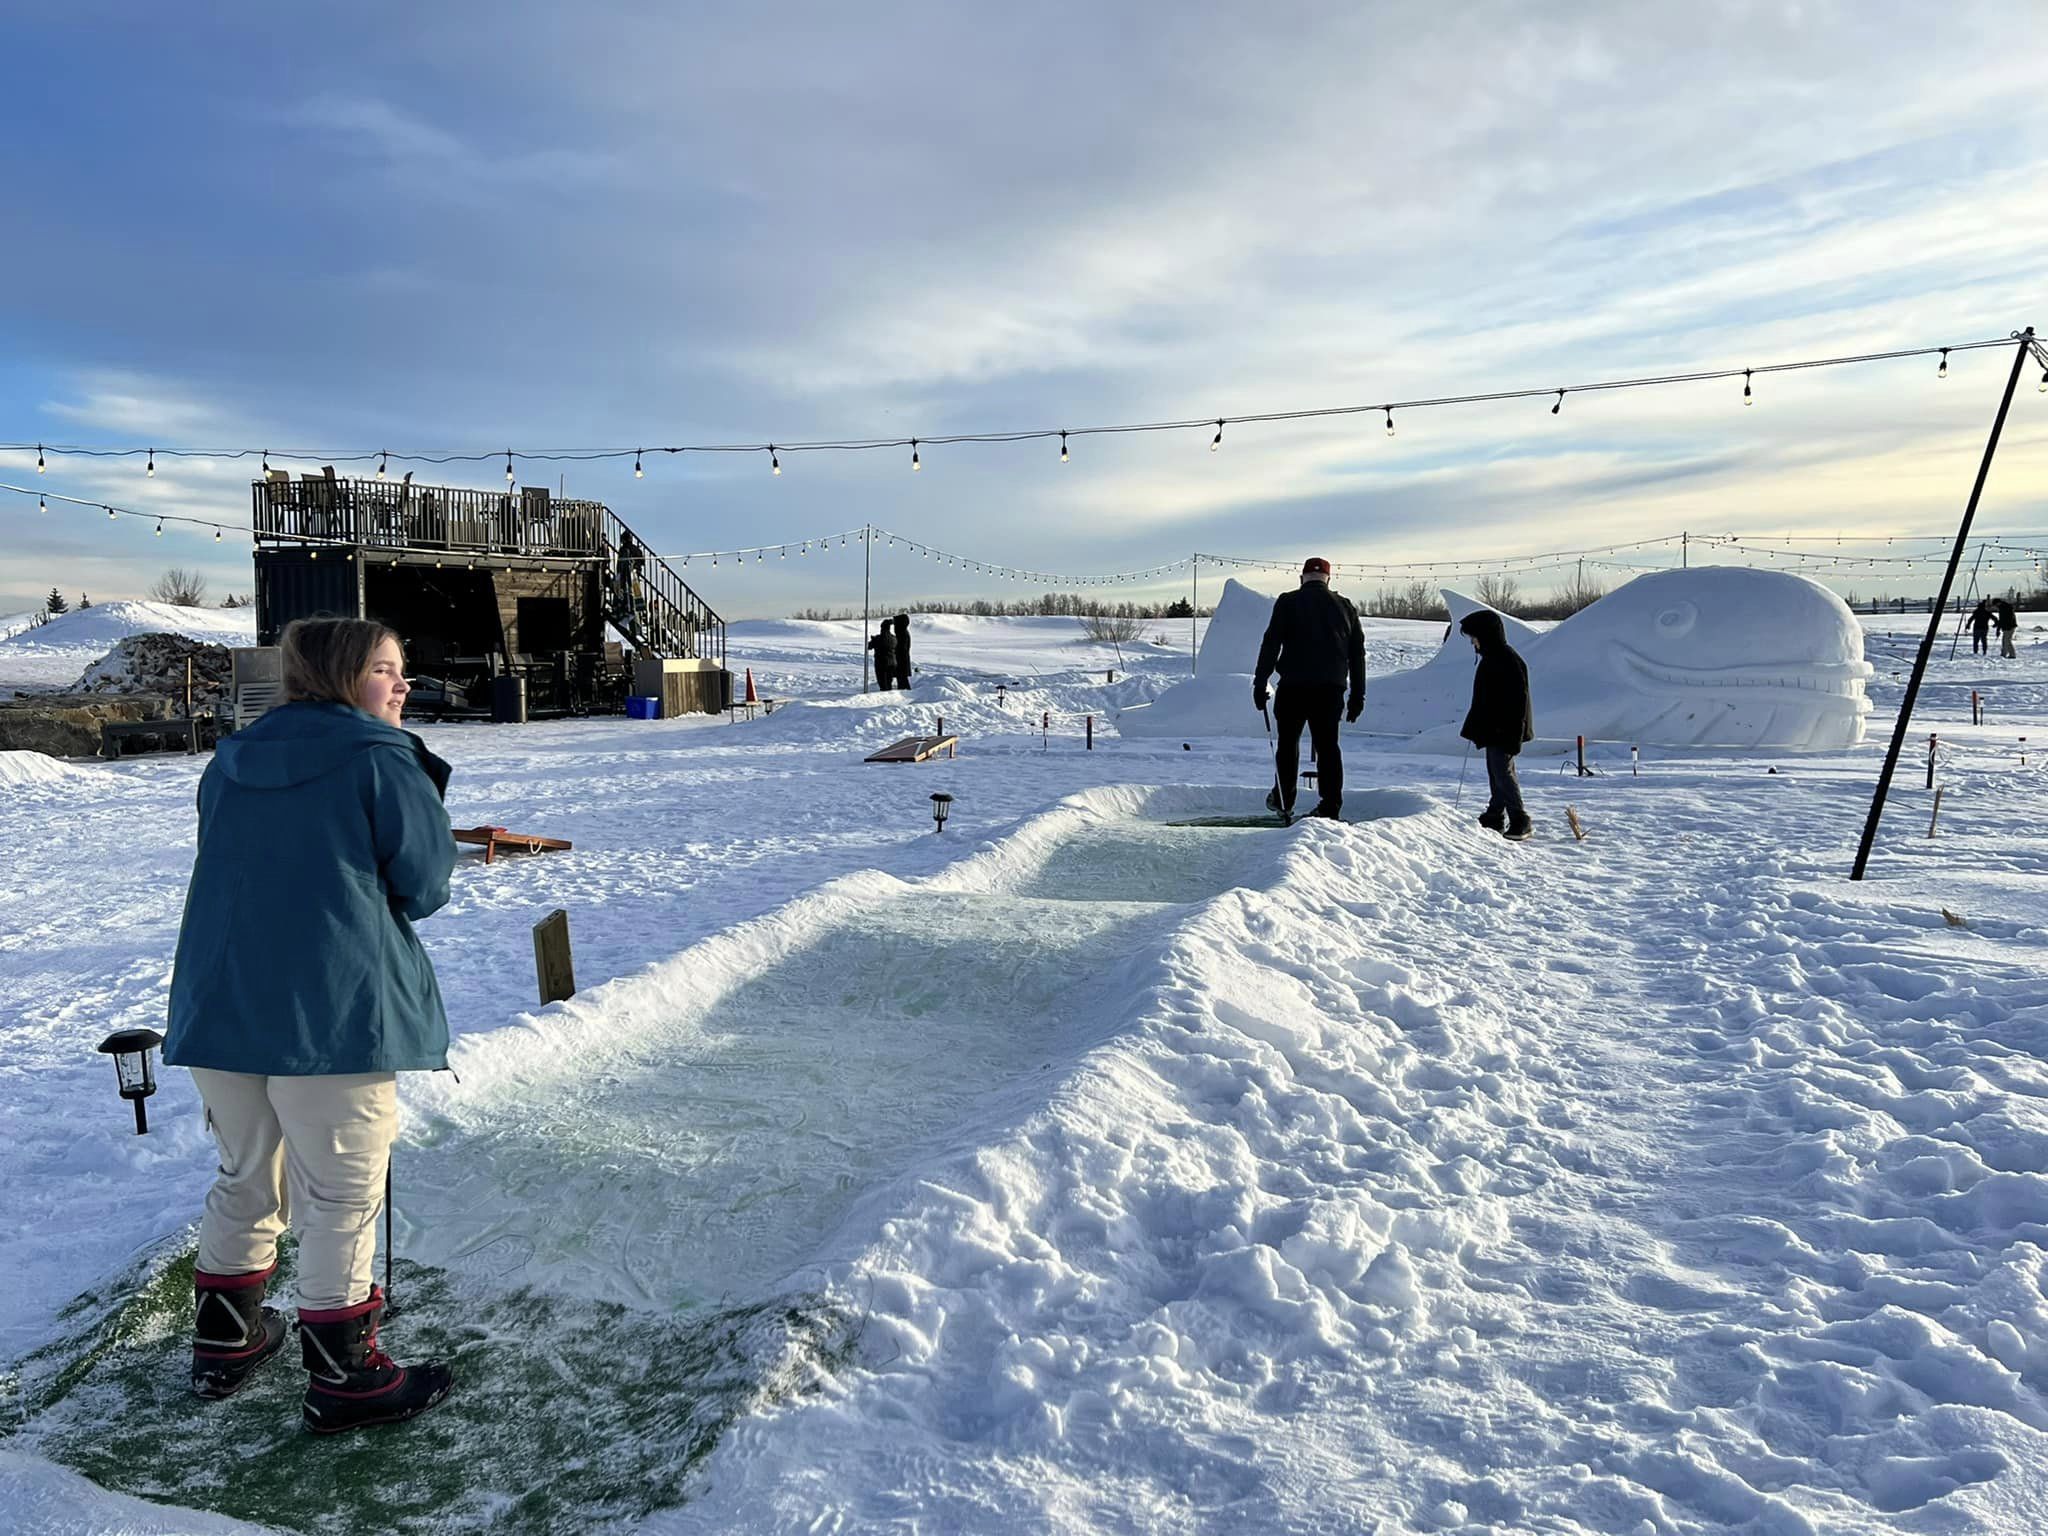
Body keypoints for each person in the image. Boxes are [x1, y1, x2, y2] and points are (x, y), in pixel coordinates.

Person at [163, 617, 456, 1434]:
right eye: (387, 672)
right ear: (339, 676)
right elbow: (426, 884)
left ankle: (225, 1344)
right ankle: (344, 1375)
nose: (402, 687)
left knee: (248, 1173)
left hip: (219, 1005)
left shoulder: (228, 760)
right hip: (332, 1009)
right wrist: (411, 773)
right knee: (339, 1195)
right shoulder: (378, 757)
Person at [1253, 557, 1365, 820]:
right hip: (1330, 690)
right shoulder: (1345, 607)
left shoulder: (1288, 602)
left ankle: (1284, 799)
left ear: (1302, 577)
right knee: (1328, 747)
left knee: (1288, 744)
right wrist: (1358, 695)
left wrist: (1260, 682)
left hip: (1293, 686)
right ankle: (1330, 806)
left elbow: (1271, 644)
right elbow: (1357, 654)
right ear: (1329, 579)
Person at [1457, 608, 1535, 841]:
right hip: (1494, 728)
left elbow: (1517, 701)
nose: (1472, 642)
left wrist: (1513, 733)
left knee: (1503, 772)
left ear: (1486, 635)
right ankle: (1495, 815)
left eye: (1474, 637)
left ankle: (1520, 818)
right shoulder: (1492, 658)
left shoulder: (1506, 660)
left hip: (1505, 729)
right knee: (1496, 772)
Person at [868, 622, 899, 692]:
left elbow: (869, 646)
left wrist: (873, 640)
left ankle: (885, 696)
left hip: (881, 663)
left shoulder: (878, 638)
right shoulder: (894, 638)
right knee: (889, 681)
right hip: (892, 663)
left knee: (882, 683)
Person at [892, 613, 913, 690]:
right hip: (901, 660)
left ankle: (907, 695)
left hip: (901, 661)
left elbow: (902, 648)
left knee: (903, 681)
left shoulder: (902, 633)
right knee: (902, 680)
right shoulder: (902, 632)